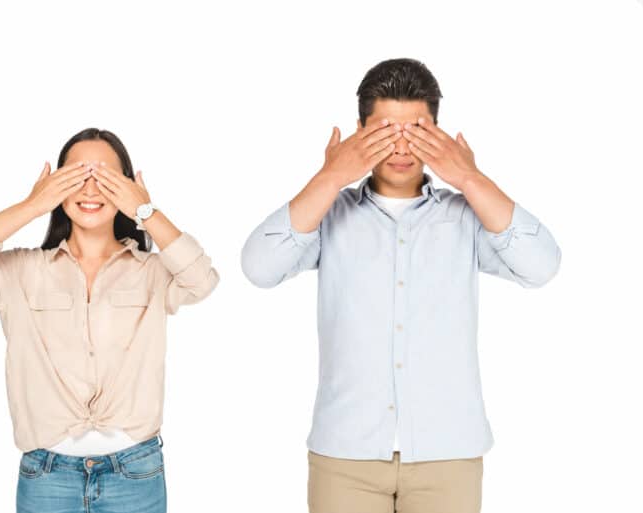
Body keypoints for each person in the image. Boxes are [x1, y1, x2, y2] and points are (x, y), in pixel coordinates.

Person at [240, 58, 561, 513]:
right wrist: (331, 176)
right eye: (385, 129)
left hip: (448, 453)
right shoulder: (329, 212)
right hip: (345, 454)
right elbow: (258, 266)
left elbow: (542, 265)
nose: (401, 145)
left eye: (418, 129)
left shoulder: (465, 214)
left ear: (439, 135)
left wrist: (469, 177)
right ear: (359, 132)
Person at [0, 128, 219, 513]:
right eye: (76, 176)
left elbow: (203, 280)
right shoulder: (20, 271)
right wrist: (33, 205)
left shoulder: (151, 272)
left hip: (135, 473)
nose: (90, 189)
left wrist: (147, 212)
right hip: (46, 476)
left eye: (105, 177)